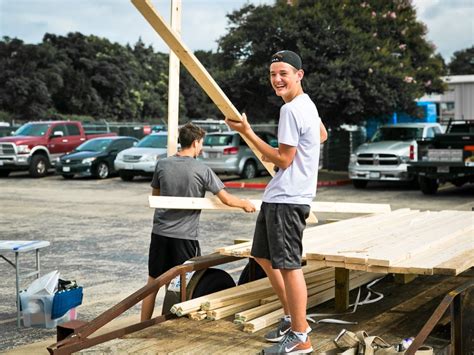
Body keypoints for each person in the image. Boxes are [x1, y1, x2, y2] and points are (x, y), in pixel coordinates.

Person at [225, 50, 328, 354]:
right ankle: (291, 317)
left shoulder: (291, 110)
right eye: (272, 74)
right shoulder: (306, 104)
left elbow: (284, 157)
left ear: (299, 74)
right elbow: (320, 135)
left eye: (283, 73)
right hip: (280, 194)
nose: (277, 79)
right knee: (263, 256)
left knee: (289, 266)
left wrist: (247, 133)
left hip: (288, 198)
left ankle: (300, 337)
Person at [141, 122, 256, 321]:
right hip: (184, 237)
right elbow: (226, 199)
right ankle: (168, 323)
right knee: (181, 284)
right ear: (195, 143)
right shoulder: (202, 169)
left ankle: (142, 325)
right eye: (201, 143)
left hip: (159, 233)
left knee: (153, 283)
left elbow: (156, 195)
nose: (201, 147)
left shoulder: (163, 164)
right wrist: (244, 204)